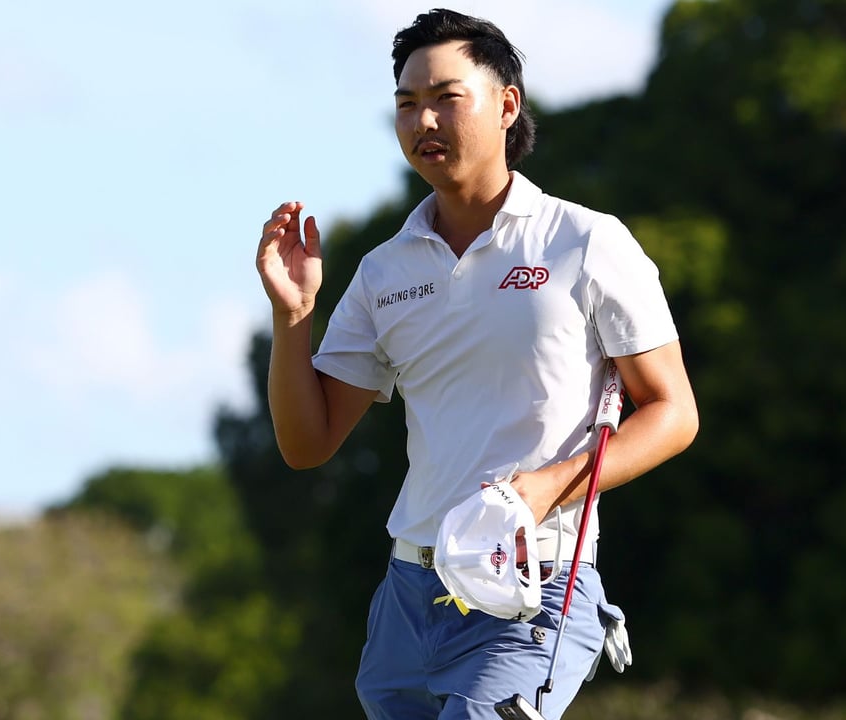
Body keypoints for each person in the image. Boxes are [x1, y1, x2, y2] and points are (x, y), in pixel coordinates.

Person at [254, 8, 698, 720]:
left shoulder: (585, 241)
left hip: (536, 580)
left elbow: (674, 414)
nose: (423, 120)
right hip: (409, 594)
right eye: (406, 104)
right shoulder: (382, 271)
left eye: (444, 98)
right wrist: (292, 316)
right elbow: (306, 445)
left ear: (506, 105)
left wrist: (550, 485)